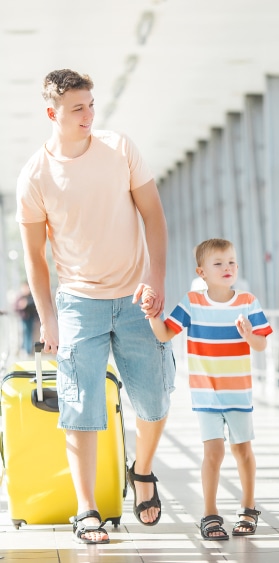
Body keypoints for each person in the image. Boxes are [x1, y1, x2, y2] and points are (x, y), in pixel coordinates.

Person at [15, 69, 176, 544]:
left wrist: (157, 278)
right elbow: (36, 259)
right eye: (77, 109)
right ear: (53, 114)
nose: (89, 115)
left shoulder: (120, 148)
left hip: (134, 299)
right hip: (79, 303)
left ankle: (141, 472)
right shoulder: (36, 175)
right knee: (80, 406)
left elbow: (154, 215)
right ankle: (87, 511)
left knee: (153, 401)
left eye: (90, 105)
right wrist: (48, 318)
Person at [142, 238, 273, 541]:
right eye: (218, 263)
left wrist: (248, 334)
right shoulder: (192, 302)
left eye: (231, 262)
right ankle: (210, 514)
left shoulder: (248, 301)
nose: (227, 268)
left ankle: (248, 508)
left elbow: (262, 344)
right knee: (212, 452)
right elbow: (164, 335)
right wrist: (152, 313)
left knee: (242, 450)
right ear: (201, 272)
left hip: (238, 391)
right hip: (205, 393)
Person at [14, 282, 39, 355]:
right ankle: (24, 349)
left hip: (30, 318)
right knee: (24, 333)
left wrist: (26, 303)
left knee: (29, 333)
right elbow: (16, 307)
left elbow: (35, 305)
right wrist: (21, 305)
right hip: (23, 318)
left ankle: (28, 350)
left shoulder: (31, 297)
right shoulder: (20, 297)